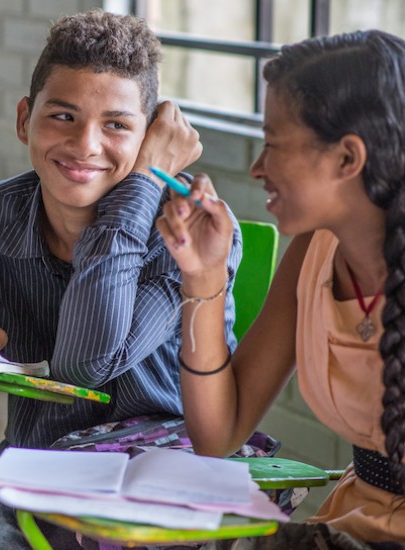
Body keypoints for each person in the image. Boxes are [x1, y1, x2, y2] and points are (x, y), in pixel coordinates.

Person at [0, 10, 242, 549]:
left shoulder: (191, 232)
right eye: (63, 116)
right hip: (36, 467)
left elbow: (87, 365)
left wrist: (141, 185)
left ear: (150, 138)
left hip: (160, 473)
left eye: (117, 124)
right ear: (24, 119)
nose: (86, 144)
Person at [157, 30, 405, 548]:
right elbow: (218, 434)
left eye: (272, 144)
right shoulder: (314, 254)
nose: (256, 168)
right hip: (352, 523)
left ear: (347, 159)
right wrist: (205, 275)